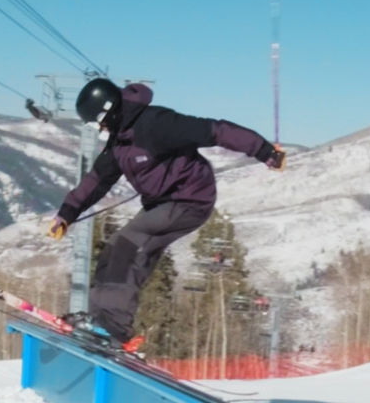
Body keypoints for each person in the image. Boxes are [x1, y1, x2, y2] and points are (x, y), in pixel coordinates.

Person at [50, 78, 286, 350]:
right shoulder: (120, 141)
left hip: (190, 199)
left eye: (98, 123)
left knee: (129, 248)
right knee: (114, 248)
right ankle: (98, 319)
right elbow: (98, 179)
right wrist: (67, 214)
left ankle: (113, 326)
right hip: (162, 203)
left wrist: (265, 151)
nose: (100, 129)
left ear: (109, 112)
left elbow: (216, 130)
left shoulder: (156, 123)